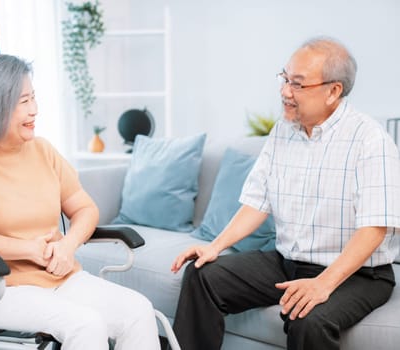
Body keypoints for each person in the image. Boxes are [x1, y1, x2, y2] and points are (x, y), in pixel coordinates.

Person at [171, 36, 400, 350]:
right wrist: (215, 246)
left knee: (308, 318)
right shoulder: (283, 131)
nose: (284, 91)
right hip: (287, 262)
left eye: (297, 84)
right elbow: (257, 201)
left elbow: (375, 228)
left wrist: (323, 284)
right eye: (284, 78)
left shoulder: (371, 140)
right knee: (202, 275)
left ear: (333, 91)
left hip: (359, 274)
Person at [0, 54, 161, 350]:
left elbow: (85, 208)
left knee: (138, 311)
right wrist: (28, 249)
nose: (35, 110)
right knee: (86, 324)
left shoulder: (43, 150)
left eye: (34, 98)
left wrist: (68, 245)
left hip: (59, 279)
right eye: (23, 102)